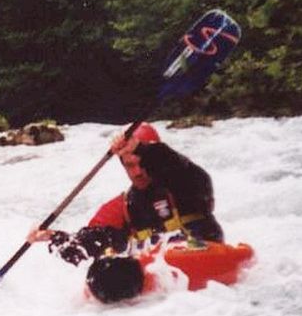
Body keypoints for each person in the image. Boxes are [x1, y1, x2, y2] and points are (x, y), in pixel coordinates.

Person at [25, 124, 225, 301]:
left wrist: (140, 149)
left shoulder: (187, 186)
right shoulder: (121, 207)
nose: (137, 172)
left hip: (201, 261)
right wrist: (55, 238)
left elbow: (183, 170)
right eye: (130, 165)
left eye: (141, 163)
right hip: (159, 282)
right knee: (105, 270)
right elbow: (92, 243)